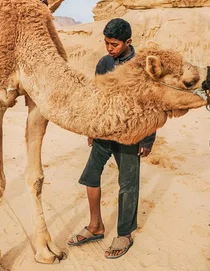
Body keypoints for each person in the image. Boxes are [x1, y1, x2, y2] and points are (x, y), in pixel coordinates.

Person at [68, 18, 156, 259]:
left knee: (128, 185)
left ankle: (125, 233)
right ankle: (96, 226)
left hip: (129, 134)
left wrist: (147, 139)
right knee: (90, 177)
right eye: (106, 43)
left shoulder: (141, 66)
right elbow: (96, 96)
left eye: (114, 44)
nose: (109, 48)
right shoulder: (104, 62)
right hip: (103, 131)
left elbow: (151, 103)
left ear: (128, 42)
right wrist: (91, 127)